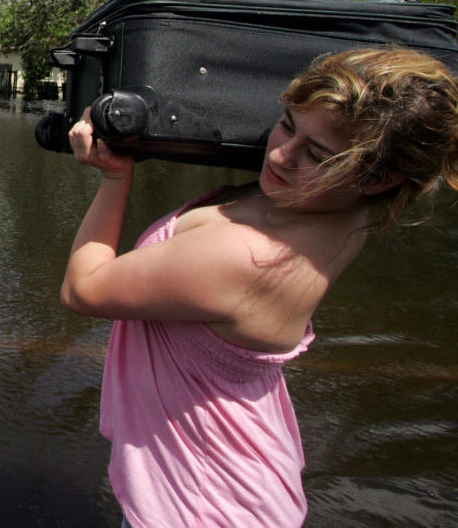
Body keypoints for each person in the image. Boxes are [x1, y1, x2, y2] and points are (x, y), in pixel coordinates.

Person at [60, 46, 458, 528]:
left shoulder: (250, 259)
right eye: (287, 123)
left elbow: (84, 289)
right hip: (237, 483)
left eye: (316, 153)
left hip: (202, 507)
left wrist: (115, 177)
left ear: (379, 178)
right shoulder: (340, 209)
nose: (280, 154)